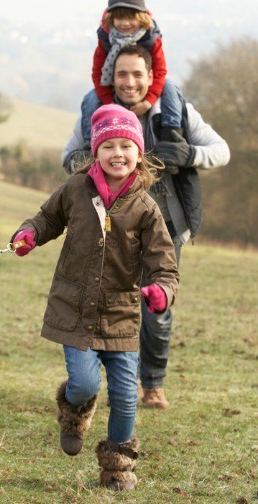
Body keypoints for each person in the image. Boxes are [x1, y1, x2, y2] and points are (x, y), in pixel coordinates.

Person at [11, 104, 180, 491]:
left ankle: (117, 467)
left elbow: (165, 268)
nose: (117, 153)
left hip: (120, 317)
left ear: (139, 153)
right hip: (74, 310)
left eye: (126, 145)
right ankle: (73, 414)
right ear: (96, 151)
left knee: (124, 396)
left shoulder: (146, 208)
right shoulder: (75, 189)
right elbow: (47, 218)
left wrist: (161, 292)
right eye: (109, 146)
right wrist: (29, 234)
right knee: (84, 384)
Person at [63, 44, 230, 411]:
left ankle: (153, 384)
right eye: (122, 74)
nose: (129, 81)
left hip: (166, 225)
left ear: (152, 77)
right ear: (111, 77)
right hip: (110, 227)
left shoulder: (176, 111)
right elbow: (68, 156)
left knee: (157, 307)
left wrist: (188, 155)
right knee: (111, 305)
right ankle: (119, 385)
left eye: (138, 73)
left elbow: (221, 150)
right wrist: (94, 161)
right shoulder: (95, 110)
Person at [80, 0, 184, 150]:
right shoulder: (106, 39)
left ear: (141, 16)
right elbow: (98, 73)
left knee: (171, 87)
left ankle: (171, 135)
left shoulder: (151, 38)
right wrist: (109, 103)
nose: (125, 23)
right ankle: (89, 144)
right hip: (114, 88)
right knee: (90, 98)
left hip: (148, 87)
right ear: (111, 18)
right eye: (120, 18)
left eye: (131, 17)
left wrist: (148, 102)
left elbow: (159, 71)